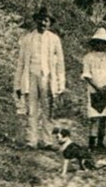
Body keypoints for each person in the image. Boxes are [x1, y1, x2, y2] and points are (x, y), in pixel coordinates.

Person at [13, 8, 66, 149]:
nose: (43, 23)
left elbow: (60, 63)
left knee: (48, 111)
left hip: (47, 77)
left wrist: (61, 85)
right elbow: (21, 63)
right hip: (30, 76)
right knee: (32, 110)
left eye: (46, 20)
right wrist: (18, 85)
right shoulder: (27, 38)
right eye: (40, 20)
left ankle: (47, 141)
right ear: (36, 20)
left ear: (50, 23)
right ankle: (32, 141)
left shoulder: (54, 39)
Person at [80, 27, 106, 149]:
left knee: (104, 117)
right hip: (94, 90)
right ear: (94, 43)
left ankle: (101, 142)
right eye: (98, 42)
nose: (100, 45)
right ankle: (92, 143)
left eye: (103, 43)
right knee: (94, 116)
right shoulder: (88, 57)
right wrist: (97, 87)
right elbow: (86, 75)